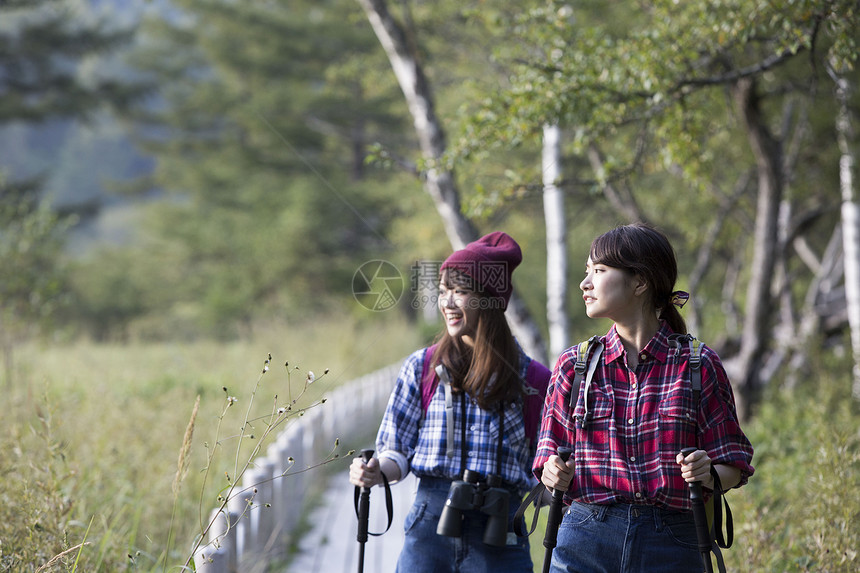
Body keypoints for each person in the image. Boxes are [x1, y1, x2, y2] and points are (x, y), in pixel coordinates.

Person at [534, 223, 754, 572]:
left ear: (640, 282)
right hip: (585, 538)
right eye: (587, 271)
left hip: (673, 544)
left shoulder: (698, 364)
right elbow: (547, 456)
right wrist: (552, 471)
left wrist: (708, 471)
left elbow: (735, 465)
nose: (585, 283)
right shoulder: (574, 366)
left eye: (599, 271)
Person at [349, 231, 551, 573]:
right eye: (443, 292)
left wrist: (557, 482)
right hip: (429, 532)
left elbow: (543, 479)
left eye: (460, 291)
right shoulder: (422, 367)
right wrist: (374, 472)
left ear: (489, 298)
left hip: (500, 534)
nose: (447, 303)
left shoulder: (534, 381)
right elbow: (396, 452)